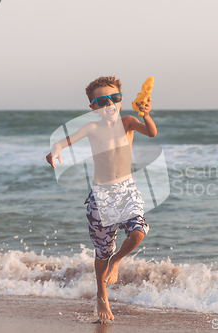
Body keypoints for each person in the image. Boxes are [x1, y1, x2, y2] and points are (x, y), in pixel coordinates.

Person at [46, 76, 157, 322]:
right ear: (93, 107)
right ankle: (101, 293)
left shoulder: (128, 122)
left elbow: (151, 132)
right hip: (101, 196)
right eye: (102, 100)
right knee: (102, 250)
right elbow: (63, 141)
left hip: (127, 190)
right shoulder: (91, 128)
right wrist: (55, 151)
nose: (110, 104)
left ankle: (117, 262)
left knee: (138, 232)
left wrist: (146, 114)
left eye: (115, 98)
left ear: (120, 100)